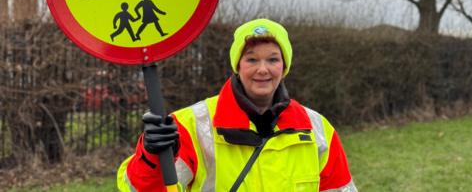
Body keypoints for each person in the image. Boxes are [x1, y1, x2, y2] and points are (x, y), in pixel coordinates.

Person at [117, 18, 357, 192]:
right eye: (251, 59)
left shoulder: (316, 129)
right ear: (237, 66)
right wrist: (152, 157)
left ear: (284, 67)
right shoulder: (191, 125)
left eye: (272, 59)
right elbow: (138, 190)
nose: (262, 69)